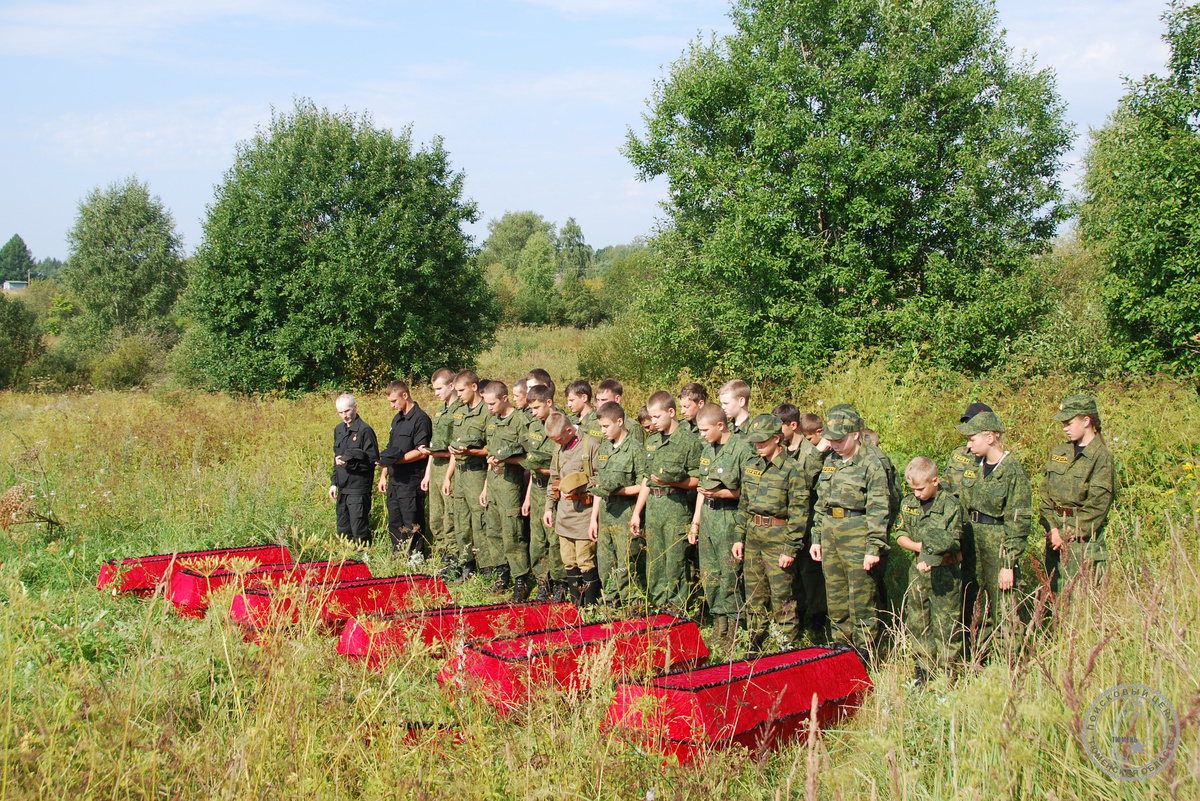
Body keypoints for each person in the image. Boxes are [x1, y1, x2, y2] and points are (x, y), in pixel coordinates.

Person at [810, 404, 890, 655]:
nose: (834, 444)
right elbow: (822, 501)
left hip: (858, 533)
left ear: (855, 434)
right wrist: (816, 537)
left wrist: (873, 547)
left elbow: (879, 509)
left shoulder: (871, 463)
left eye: (839, 439)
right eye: (831, 439)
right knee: (835, 596)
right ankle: (841, 649)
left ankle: (865, 652)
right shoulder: (831, 460)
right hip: (830, 532)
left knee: (861, 597)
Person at [955, 409, 1032, 656]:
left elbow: (1018, 520)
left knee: (1003, 605)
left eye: (972, 439)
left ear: (990, 437)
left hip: (998, 543)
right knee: (976, 602)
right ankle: (981, 656)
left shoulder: (1012, 471)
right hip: (973, 542)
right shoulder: (973, 467)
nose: (968, 445)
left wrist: (1008, 563)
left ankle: (1009, 661)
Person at [733, 414, 808, 652]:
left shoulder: (792, 470)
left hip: (778, 537)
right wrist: (739, 537)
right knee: (754, 593)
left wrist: (790, 549)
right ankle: (755, 642)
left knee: (782, 594)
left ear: (777, 439)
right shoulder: (752, 466)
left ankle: (786, 645)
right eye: (755, 441)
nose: (758, 446)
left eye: (763, 441)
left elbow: (799, 513)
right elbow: (744, 506)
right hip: (754, 536)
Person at [894, 457, 965, 681]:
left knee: (946, 624)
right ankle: (923, 670)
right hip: (918, 570)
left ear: (935, 481)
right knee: (918, 621)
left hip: (945, 572)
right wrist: (920, 548)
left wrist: (931, 554)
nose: (917, 494)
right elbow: (900, 534)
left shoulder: (951, 505)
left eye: (921, 489)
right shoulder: (908, 504)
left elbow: (954, 541)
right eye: (913, 489)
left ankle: (948, 674)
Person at [630, 391, 702, 612]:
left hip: (675, 506)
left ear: (671, 412)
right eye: (651, 417)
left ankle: (677, 609)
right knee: (655, 559)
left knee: (676, 560)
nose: (653, 422)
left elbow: (697, 479)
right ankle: (659, 606)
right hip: (653, 506)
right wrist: (637, 512)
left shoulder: (689, 441)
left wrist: (673, 482)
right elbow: (646, 478)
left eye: (657, 417)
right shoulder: (652, 440)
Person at [690, 404, 753, 649]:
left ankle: (734, 630)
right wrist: (695, 522)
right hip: (708, 516)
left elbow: (746, 491)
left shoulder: (742, 449)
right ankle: (719, 627)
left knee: (729, 575)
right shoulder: (707, 449)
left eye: (705, 430)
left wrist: (720, 493)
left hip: (729, 517)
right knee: (710, 574)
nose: (702, 434)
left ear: (720, 425)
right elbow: (702, 489)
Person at [1040, 395, 1116, 593]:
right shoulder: (1060, 452)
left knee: (1081, 601)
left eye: (1069, 422)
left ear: (1086, 420)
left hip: (1084, 544)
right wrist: (1052, 528)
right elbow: (1045, 495)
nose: (1065, 428)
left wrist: (1065, 534)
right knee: (1053, 600)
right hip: (1054, 541)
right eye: (1063, 423)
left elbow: (1097, 507)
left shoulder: (1101, 457)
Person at [588, 401, 648, 606]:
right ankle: (611, 600)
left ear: (620, 422)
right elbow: (600, 484)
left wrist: (621, 492)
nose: (603, 431)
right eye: (601, 427)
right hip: (606, 511)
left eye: (606, 426)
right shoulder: (605, 447)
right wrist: (594, 519)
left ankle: (631, 602)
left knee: (626, 561)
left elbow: (644, 484)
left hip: (625, 510)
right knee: (606, 561)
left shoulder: (635, 449)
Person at [544, 411, 602, 605]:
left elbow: (601, 478)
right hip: (564, 514)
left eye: (559, 439)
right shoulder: (558, 447)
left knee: (585, 561)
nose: (557, 443)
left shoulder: (590, 445)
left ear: (569, 430)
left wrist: (580, 485)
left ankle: (590, 606)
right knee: (569, 561)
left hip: (583, 514)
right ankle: (577, 604)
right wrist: (548, 507)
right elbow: (554, 479)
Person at [480, 381, 530, 598]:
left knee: (512, 532)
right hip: (493, 482)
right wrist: (485, 487)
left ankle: (521, 579)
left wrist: (506, 460)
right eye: (486, 404)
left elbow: (528, 458)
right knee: (493, 531)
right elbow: (490, 456)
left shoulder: (520, 421)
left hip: (510, 483)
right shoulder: (492, 421)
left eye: (492, 403)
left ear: (504, 398)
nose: (489, 407)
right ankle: (502, 575)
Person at [442, 371, 490, 581]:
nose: (458, 394)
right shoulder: (460, 412)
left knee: (480, 521)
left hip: (477, 473)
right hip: (460, 474)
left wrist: (470, 452)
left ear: (474, 387)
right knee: (461, 521)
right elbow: (454, 448)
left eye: (461, 390)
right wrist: (448, 476)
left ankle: (486, 566)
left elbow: (492, 449)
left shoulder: (487, 411)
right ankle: (466, 564)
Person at [376, 380, 432, 557]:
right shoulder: (397, 419)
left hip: (411, 481)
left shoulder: (420, 419)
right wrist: (384, 474)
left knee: (411, 521)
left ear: (405, 395)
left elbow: (421, 452)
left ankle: (415, 558)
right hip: (395, 480)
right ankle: (399, 556)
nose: (392, 405)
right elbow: (390, 450)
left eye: (394, 401)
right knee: (395, 521)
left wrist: (396, 462)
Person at [523, 383, 567, 601]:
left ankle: (560, 583)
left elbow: (566, 465)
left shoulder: (563, 424)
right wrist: (527, 497)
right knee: (537, 540)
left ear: (549, 402)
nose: (533, 412)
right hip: (537, 489)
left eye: (537, 408)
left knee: (555, 539)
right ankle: (543, 582)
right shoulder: (534, 425)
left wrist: (543, 470)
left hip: (555, 490)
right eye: (531, 408)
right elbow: (532, 464)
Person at [793, 411, 830, 640]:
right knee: (799, 571)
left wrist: (817, 452)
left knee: (812, 572)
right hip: (800, 519)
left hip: (815, 519)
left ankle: (818, 619)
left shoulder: (822, 452)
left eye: (810, 438)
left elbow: (808, 481)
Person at [329, 394, 380, 545]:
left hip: (358, 488)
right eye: (340, 412)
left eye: (347, 411)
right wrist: (334, 483)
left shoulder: (365, 430)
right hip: (343, 488)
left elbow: (372, 461)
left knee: (359, 530)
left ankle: (364, 556)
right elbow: (337, 459)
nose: (344, 415)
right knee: (343, 530)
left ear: (355, 407)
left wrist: (349, 465)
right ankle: (348, 558)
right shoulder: (339, 429)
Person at [422, 368, 461, 565]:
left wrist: (447, 472)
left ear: (451, 386)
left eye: (439, 388)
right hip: (436, 466)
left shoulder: (460, 411)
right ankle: (443, 551)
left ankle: (454, 556)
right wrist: (427, 474)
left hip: (449, 468)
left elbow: (455, 448)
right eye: (434, 389)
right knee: (435, 517)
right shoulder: (440, 410)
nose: (436, 393)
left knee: (450, 515)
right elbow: (433, 444)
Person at [943, 403, 993, 496]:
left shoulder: (998, 463)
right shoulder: (959, 453)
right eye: (967, 423)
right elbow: (946, 480)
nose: (968, 429)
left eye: (973, 424)